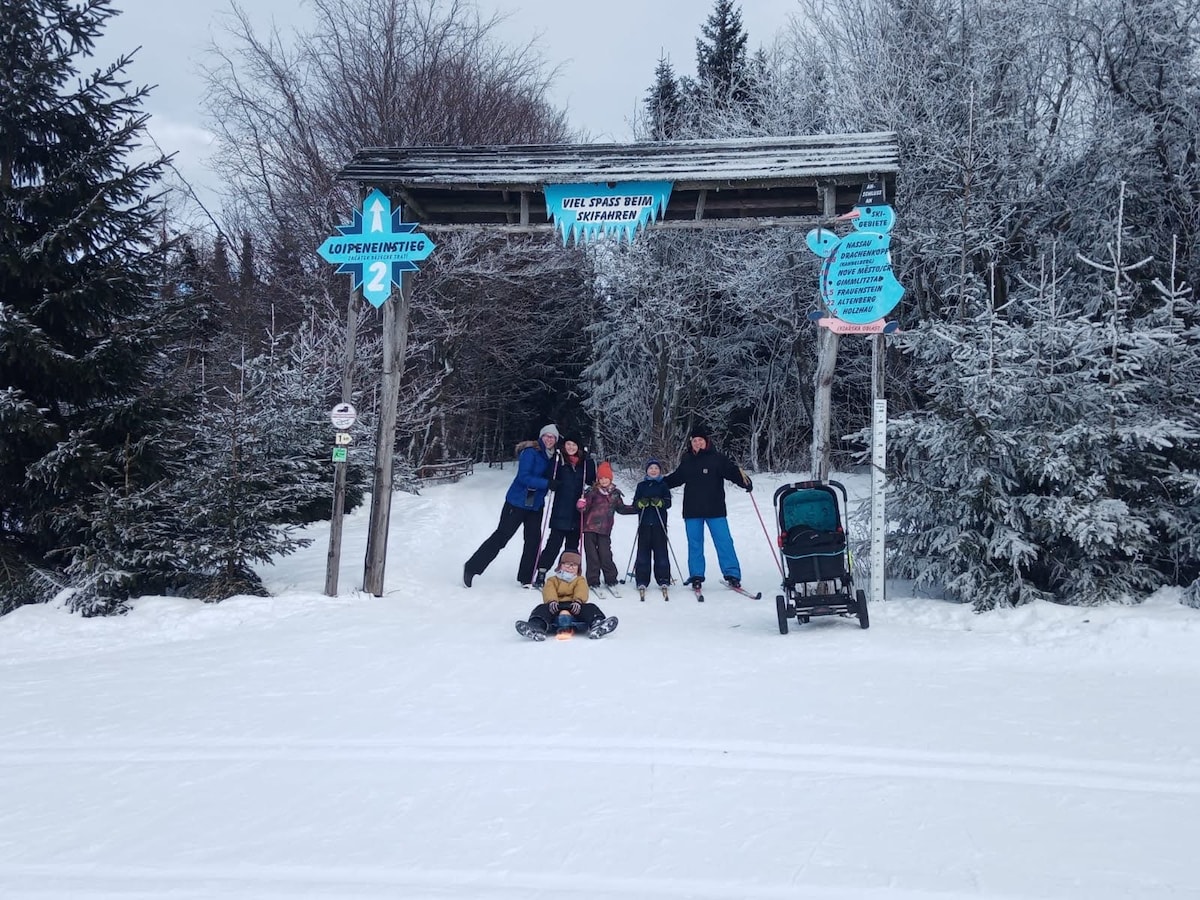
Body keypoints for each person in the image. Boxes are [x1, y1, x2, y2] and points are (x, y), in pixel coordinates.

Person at [464, 424, 559, 588]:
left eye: (553, 437)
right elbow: (524, 477)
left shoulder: (552, 456)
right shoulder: (531, 452)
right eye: (546, 436)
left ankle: (526, 578)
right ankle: (472, 567)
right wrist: (547, 483)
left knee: (533, 541)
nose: (549, 439)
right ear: (541, 437)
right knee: (502, 537)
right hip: (517, 502)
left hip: (535, 505)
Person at [663, 423, 753, 588]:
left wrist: (744, 481)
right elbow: (676, 478)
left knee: (724, 541)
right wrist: (659, 484)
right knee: (695, 544)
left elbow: (732, 472)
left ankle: (732, 574)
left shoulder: (717, 459)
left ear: (706, 441)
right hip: (692, 510)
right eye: (694, 441)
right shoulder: (687, 460)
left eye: (700, 440)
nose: (697, 443)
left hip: (715, 509)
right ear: (691, 443)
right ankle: (696, 575)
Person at [532, 437, 596, 587]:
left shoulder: (584, 464)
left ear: (579, 447)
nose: (571, 447)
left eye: (574, 444)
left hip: (577, 511)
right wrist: (552, 481)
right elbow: (549, 477)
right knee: (553, 544)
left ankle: (569, 574)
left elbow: (592, 481)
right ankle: (541, 572)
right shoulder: (559, 461)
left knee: (572, 547)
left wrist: (590, 463)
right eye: (568, 444)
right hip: (560, 509)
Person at [515, 551, 619, 640]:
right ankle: (536, 625)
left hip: (574, 606)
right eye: (566, 564)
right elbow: (549, 590)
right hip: (556, 606)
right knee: (541, 609)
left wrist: (578, 601)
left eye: (573, 565)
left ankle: (597, 623)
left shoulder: (580, 580)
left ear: (578, 568)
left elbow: (581, 590)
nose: (570, 567)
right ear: (560, 565)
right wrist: (552, 601)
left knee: (590, 608)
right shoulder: (552, 580)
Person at [578, 461, 631, 589]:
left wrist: (637, 508)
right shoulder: (592, 492)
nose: (603, 480)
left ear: (610, 478)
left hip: (605, 530)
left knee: (605, 554)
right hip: (589, 528)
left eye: (606, 478)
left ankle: (611, 578)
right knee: (592, 556)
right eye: (601, 478)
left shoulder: (615, 494)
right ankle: (593, 580)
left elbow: (621, 509)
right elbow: (583, 509)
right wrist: (581, 505)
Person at [625, 457, 674, 593]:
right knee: (643, 553)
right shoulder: (641, 486)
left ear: (659, 471)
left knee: (661, 552)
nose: (653, 471)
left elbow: (668, 502)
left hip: (659, 524)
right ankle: (642, 579)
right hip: (645, 524)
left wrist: (660, 502)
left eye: (656, 468)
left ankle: (663, 578)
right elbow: (635, 503)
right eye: (651, 468)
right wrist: (641, 503)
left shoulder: (663, 485)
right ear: (647, 471)